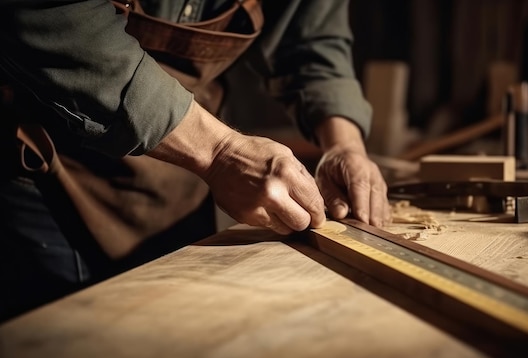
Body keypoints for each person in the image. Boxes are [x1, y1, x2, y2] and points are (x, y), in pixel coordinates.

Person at [0, 0, 390, 321]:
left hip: (182, 179)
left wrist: (345, 146)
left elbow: (311, 38)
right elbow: (50, 17)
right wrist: (220, 151)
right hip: (47, 172)